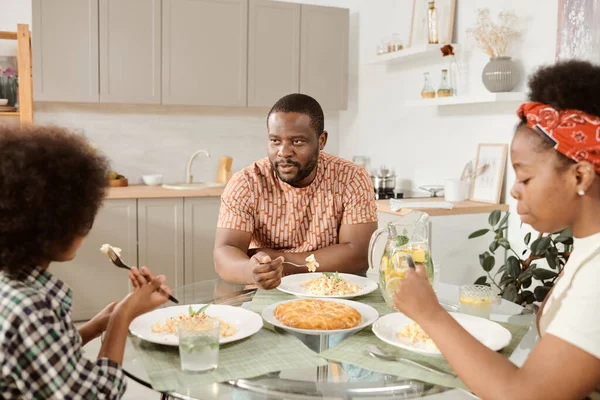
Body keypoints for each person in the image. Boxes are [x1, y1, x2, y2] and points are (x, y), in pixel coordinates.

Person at [393, 60, 600, 399]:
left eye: (526, 176)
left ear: (579, 176)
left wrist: (430, 314)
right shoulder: (587, 247)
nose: (515, 190)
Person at [0, 125, 172, 399]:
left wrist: (94, 327)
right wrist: (121, 318)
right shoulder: (28, 309)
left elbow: (43, 357)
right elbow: (98, 395)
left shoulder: (11, 285)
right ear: (54, 224)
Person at [214, 93, 378, 289]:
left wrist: (280, 260)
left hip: (335, 292)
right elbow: (225, 251)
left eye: (297, 141)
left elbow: (358, 255)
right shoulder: (246, 183)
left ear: (322, 140)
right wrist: (251, 271)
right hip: (266, 291)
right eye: (275, 141)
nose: (284, 152)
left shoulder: (352, 178)